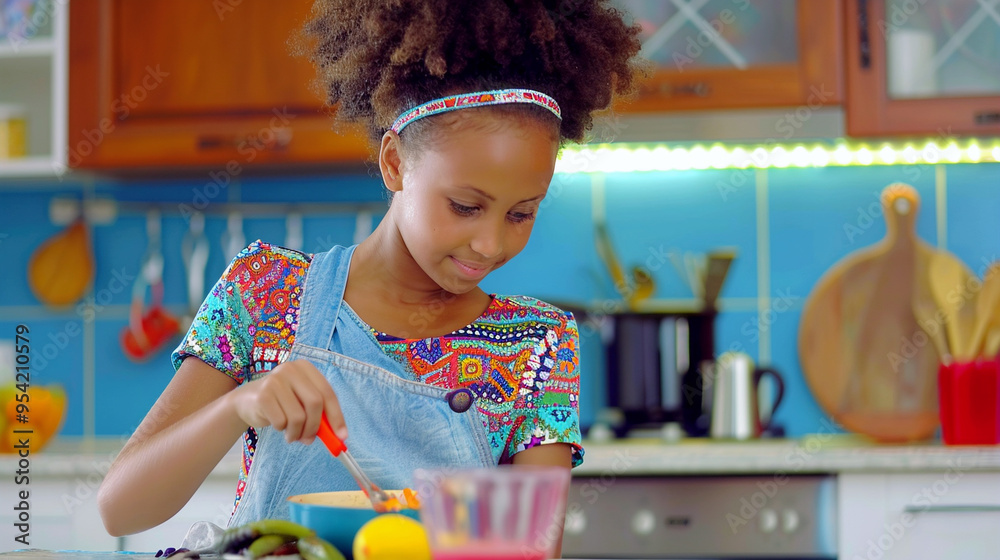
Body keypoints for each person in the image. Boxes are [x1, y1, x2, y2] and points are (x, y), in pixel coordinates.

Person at [97, 0, 641, 555]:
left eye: (521, 213)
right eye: (464, 206)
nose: (491, 244)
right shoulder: (264, 292)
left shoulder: (537, 343)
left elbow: (529, 549)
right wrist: (240, 405)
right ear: (394, 163)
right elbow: (122, 508)